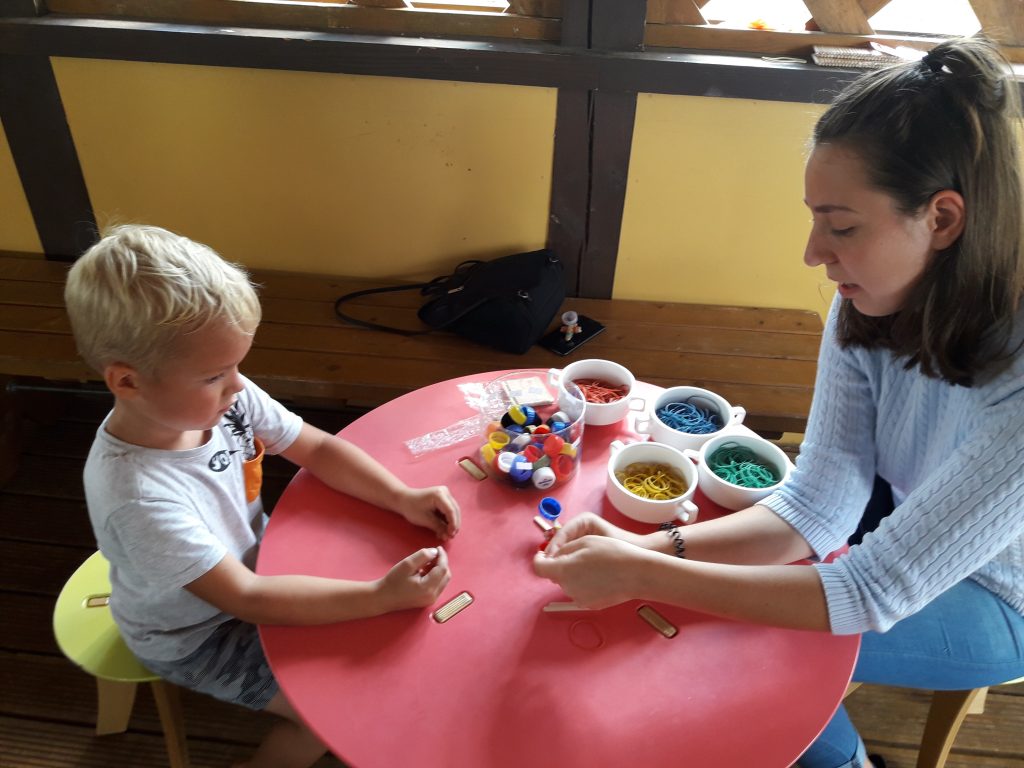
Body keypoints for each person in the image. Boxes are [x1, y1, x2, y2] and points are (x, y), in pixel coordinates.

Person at [533, 35, 1024, 768]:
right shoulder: (865, 302)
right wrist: (647, 547)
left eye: (842, 225)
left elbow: (869, 591)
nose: (813, 252)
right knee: (728, 615)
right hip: (899, 523)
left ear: (943, 219)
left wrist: (644, 573)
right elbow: (816, 505)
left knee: (752, 643)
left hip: (1003, 594)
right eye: (814, 217)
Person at [64, 225, 461, 768]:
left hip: (256, 564)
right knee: (327, 715)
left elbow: (315, 447)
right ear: (128, 382)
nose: (237, 385)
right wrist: (377, 597)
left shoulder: (223, 396)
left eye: (236, 366)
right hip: (196, 634)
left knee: (392, 623)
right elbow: (246, 598)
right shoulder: (137, 498)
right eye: (214, 375)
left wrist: (401, 496)